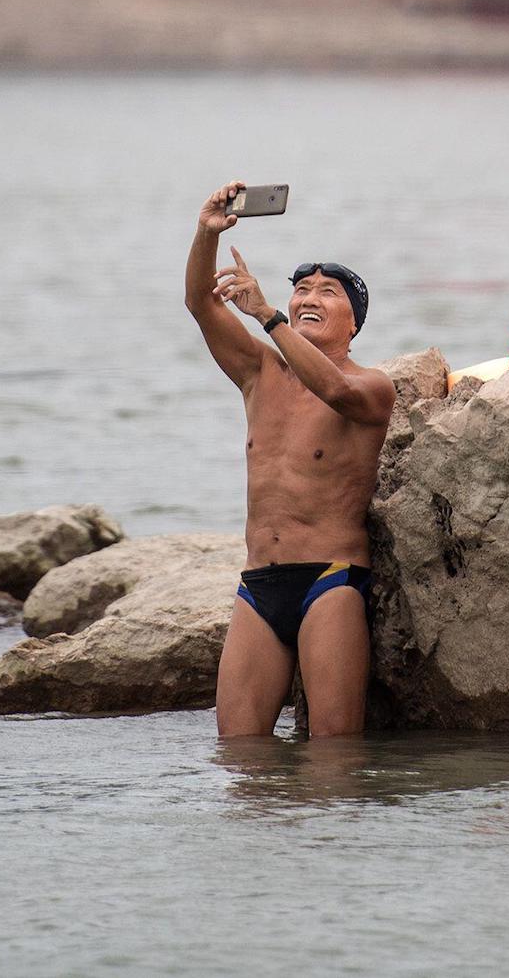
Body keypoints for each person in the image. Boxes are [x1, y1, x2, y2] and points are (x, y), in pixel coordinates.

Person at [186, 181, 396, 739]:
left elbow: (335, 393)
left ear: (353, 323)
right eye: (301, 289)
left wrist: (269, 316)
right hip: (258, 585)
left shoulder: (372, 386)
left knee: (333, 757)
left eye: (327, 292)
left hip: (330, 580)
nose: (308, 298)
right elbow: (200, 305)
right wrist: (206, 234)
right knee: (239, 755)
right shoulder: (261, 373)